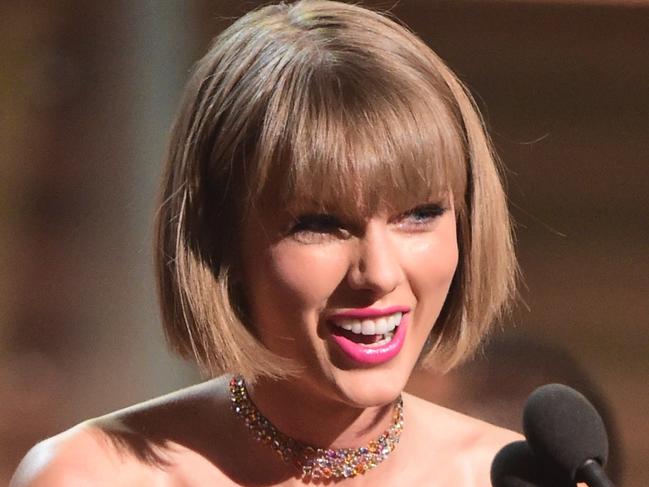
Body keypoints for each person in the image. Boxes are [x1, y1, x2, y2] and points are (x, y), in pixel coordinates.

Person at [10, 1, 519, 485]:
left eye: (419, 215)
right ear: (220, 240)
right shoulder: (92, 477)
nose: (380, 273)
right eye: (320, 224)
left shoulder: (516, 477)